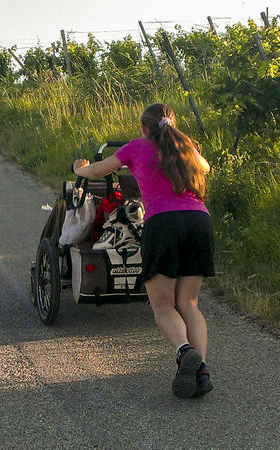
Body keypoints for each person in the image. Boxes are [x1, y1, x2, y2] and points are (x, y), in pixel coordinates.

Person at [73, 102, 214, 398]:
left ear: (143, 128)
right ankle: (201, 370)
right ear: (172, 124)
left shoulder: (136, 147)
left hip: (163, 223)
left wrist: (80, 168)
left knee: (163, 305)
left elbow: (98, 171)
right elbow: (206, 167)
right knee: (188, 304)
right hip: (200, 221)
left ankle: (183, 349)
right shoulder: (186, 146)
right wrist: (185, 148)